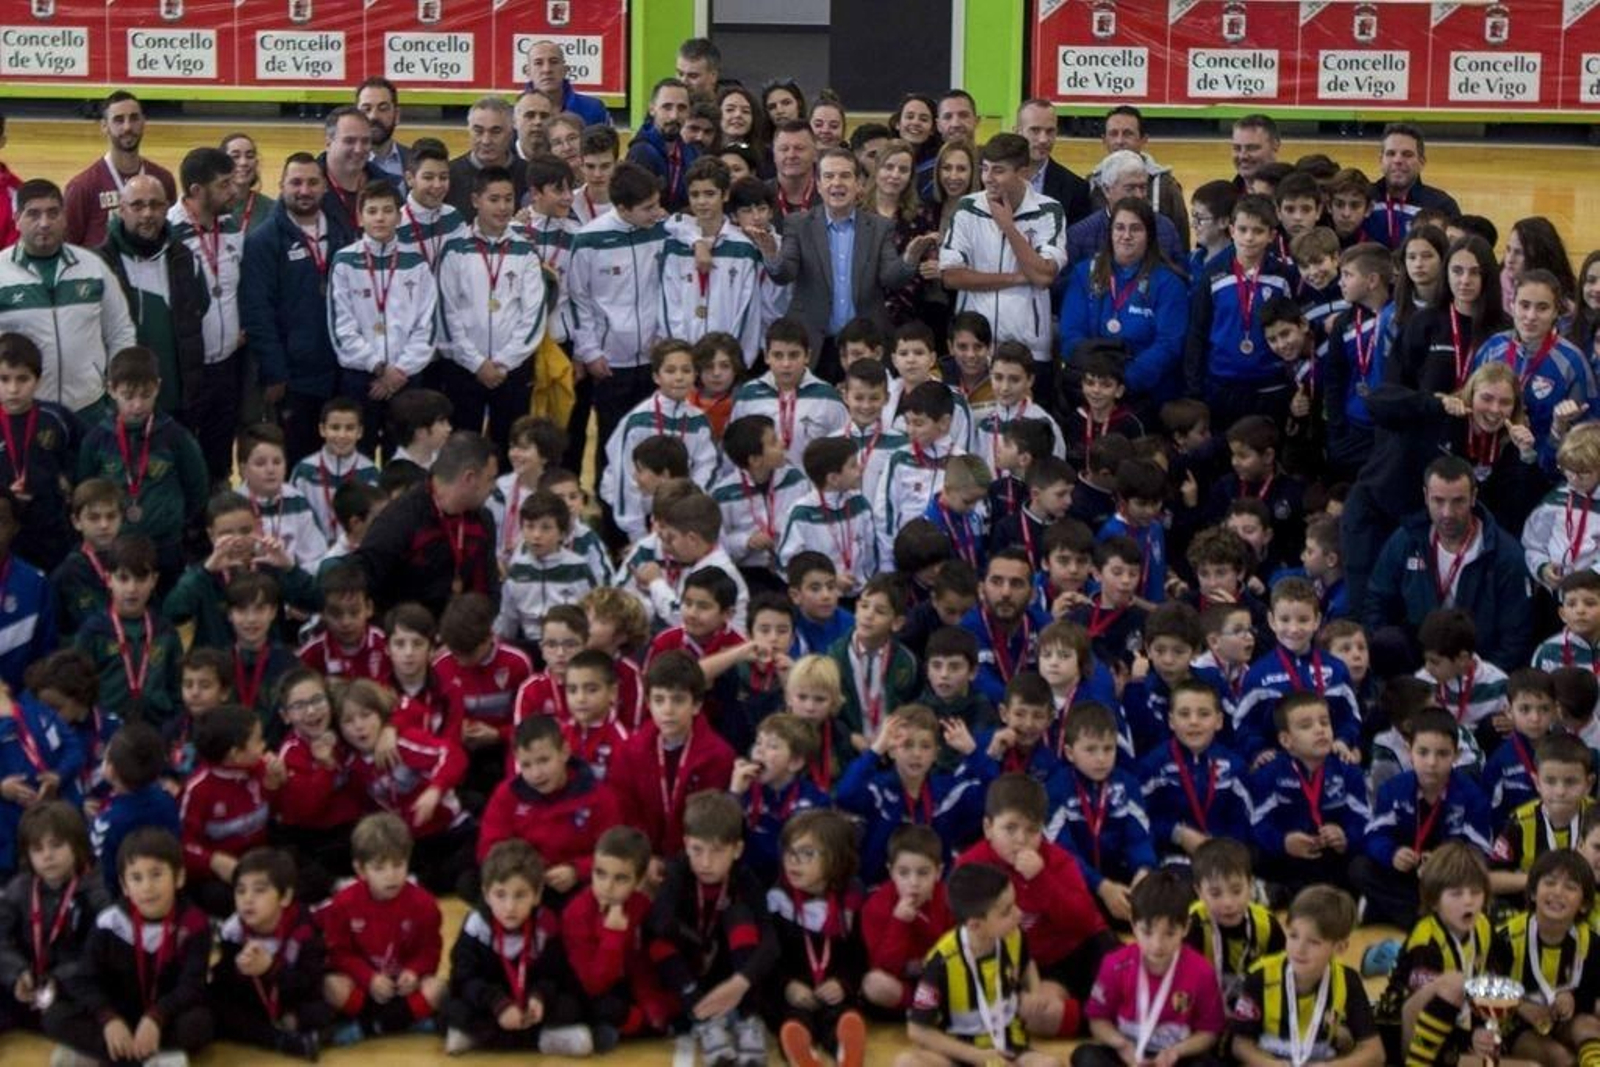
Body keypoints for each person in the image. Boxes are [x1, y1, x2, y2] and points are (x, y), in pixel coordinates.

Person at [43, 827, 214, 1065]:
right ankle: (142, 1056)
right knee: (55, 1016)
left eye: (157, 874)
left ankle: (113, 1056)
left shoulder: (195, 924)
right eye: (136, 878)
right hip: (118, 1014)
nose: (147, 887)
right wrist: (108, 1018)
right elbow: (86, 979)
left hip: (165, 1017)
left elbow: (192, 985)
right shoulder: (109, 922)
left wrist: (157, 1016)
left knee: (200, 1023)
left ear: (179, 877)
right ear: (124, 886)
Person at [750, 148, 930, 368]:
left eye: (845, 176)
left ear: (858, 184)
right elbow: (784, 274)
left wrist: (910, 258)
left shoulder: (880, 227)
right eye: (829, 176)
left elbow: (890, 278)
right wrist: (771, 255)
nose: (837, 183)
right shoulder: (798, 224)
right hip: (813, 341)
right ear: (818, 185)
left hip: (865, 343)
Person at [1365, 455, 1534, 673]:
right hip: (1418, 662)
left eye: (1458, 501)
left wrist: (1483, 680)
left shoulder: (1505, 555)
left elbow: (1516, 635)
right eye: (1438, 501)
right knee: (1387, 640)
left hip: (1479, 665)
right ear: (1426, 496)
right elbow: (1377, 600)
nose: (1447, 513)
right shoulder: (1406, 540)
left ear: (1473, 497)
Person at [239, 153, 357, 463]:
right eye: (296, 182)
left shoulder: (343, 235)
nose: (304, 190)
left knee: (341, 461)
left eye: (312, 182)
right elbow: (257, 312)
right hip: (293, 380)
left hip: (340, 371)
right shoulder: (262, 241)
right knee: (298, 460)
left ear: (325, 188)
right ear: (281, 186)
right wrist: (274, 372)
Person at [647, 790, 779, 1067]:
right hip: (688, 972)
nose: (705, 862)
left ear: (737, 850)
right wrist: (700, 944)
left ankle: (747, 1020)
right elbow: (660, 923)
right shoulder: (678, 871)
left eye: (717, 851)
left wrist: (740, 982)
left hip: (731, 973)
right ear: (685, 844)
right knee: (658, 942)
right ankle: (705, 1019)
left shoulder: (744, 878)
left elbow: (771, 943)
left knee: (740, 915)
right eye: (697, 850)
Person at [896, 862, 1066, 1067]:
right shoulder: (941, 961)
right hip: (959, 1053)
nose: (1019, 914)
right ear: (975, 925)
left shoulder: (1014, 935)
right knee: (906, 1063)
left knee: (1050, 1065)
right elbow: (917, 1030)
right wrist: (976, 1056)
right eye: (1006, 911)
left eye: (1015, 904)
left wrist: (1035, 992)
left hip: (1010, 1049)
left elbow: (1027, 963)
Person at [941, 134, 1066, 397]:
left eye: (998, 170)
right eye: (985, 168)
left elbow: (1043, 277)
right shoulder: (967, 208)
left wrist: (1008, 226)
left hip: (1029, 348)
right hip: (975, 349)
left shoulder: (1049, 210)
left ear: (1023, 172)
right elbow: (951, 276)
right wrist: (1016, 278)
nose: (988, 178)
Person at [442, 838, 592, 1055]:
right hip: (491, 1005)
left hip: (529, 1003)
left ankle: (483, 1038)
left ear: (537, 894)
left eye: (520, 895)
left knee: (572, 1004)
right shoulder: (475, 926)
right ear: (486, 894)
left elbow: (556, 976)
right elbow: (464, 978)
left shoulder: (546, 925)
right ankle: (542, 1040)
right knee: (452, 1008)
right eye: (500, 895)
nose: (509, 907)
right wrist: (498, 1004)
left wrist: (539, 997)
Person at [0, 180, 136, 415]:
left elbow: (120, 330)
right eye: (33, 214)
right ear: (17, 219)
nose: (44, 223)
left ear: (64, 217)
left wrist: (118, 386)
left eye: (53, 213)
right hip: (24, 412)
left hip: (89, 408)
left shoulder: (93, 267)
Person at [318, 812, 445, 1043]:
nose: (391, 875)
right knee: (330, 986)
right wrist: (369, 978)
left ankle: (367, 1028)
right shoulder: (343, 904)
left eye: (398, 865)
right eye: (380, 868)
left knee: (438, 989)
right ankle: (406, 1022)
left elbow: (430, 952)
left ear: (408, 860)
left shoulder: (425, 904)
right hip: (364, 987)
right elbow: (338, 954)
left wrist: (414, 972)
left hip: (404, 989)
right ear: (361, 869)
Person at [1059, 196, 1189, 415]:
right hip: (1092, 391)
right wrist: (1097, 381)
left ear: (1149, 235)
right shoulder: (1085, 273)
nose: (1126, 236)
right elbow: (1071, 334)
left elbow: (1169, 344)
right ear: (1109, 233)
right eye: (1119, 228)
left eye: (1135, 229)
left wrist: (1123, 382)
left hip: (1144, 395)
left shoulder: (1168, 283)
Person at [354, 430, 498, 616]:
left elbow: (489, 590)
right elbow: (364, 579)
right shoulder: (400, 518)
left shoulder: (483, 520)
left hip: (462, 634)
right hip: (405, 635)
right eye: (490, 479)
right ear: (469, 478)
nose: (494, 487)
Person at [166, 147, 247, 480]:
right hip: (189, 370)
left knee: (219, 457)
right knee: (186, 459)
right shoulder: (168, 233)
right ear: (197, 191)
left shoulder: (230, 224)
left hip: (228, 365)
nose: (233, 191)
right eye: (224, 184)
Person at [209, 846, 329, 1059]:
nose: (247, 899)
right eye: (241, 890)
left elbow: (309, 983)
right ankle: (282, 1040)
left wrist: (271, 968)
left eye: (260, 890)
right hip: (254, 1004)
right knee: (215, 1006)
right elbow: (223, 986)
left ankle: (285, 1031)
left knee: (320, 1009)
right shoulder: (232, 930)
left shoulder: (305, 929)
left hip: (292, 996)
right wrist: (237, 968)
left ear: (285, 897)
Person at [62, 91, 178, 249]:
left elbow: (170, 236)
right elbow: (68, 248)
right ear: (104, 126)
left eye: (134, 118)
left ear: (144, 122)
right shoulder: (82, 187)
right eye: (118, 120)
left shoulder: (162, 180)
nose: (127, 127)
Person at [1093, 105, 1190, 251]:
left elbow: (1181, 243)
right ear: (1104, 140)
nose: (1119, 141)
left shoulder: (1166, 186)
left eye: (1128, 134)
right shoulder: (1091, 183)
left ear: (1143, 140)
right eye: (1113, 134)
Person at [1067, 151, 1186, 268]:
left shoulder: (1165, 228)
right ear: (1107, 190)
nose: (1139, 195)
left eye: (1143, 187)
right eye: (1130, 188)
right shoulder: (1079, 236)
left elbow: (1180, 274)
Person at [1363, 123, 1461, 249]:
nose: (1397, 160)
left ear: (1422, 162)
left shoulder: (1442, 205)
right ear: (1381, 160)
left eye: (1407, 154)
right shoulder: (1365, 198)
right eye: (1391, 153)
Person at [445, 97, 526, 223]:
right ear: (468, 131)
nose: (486, 140)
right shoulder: (447, 177)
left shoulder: (530, 176)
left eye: (496, 131)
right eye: (478, 131)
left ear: (511, 133)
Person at [1014, 99, 1093, 227]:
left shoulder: (1076, 188)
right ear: (1017, 132)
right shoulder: (994, 178)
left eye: (1050, 131)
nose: (1043, 139)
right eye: (1035, 130)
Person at [628, 79, 698, 213]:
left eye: (682, 108)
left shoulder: (691, 154)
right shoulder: (641, 153)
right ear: (652, 109)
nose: (674, 116)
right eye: (667, 107)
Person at [318, 107, 384, 238]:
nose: (359, 149)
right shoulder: (305, 190)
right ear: (328, 143)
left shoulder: (389, 185)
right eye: (349, 141)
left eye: (365, 141)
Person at [524, 39, 610, 128]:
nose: (547, 69)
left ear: (565, 70)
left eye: (554, 62)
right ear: (528, 72)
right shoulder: (515, 112)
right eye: (538, 63)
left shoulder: (593, 109)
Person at [357, 77, 410, 188]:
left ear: (397, 115)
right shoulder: (339, 164)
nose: (374, 116)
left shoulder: (414, 160)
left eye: (383, 108)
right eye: (366, 109)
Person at [769, 120, 821, 218]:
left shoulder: (829, 196)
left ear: (815, 154)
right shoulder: (760, 195)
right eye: (784, 149)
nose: (791, 155)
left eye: (799, 148)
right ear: (774, 155)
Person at [1228, 114, 1281, 192]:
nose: (1243, 156)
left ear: (1275, 146)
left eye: (1252, 148)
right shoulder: (1226, 198)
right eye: (1237, 148)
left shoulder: (1295, 193)